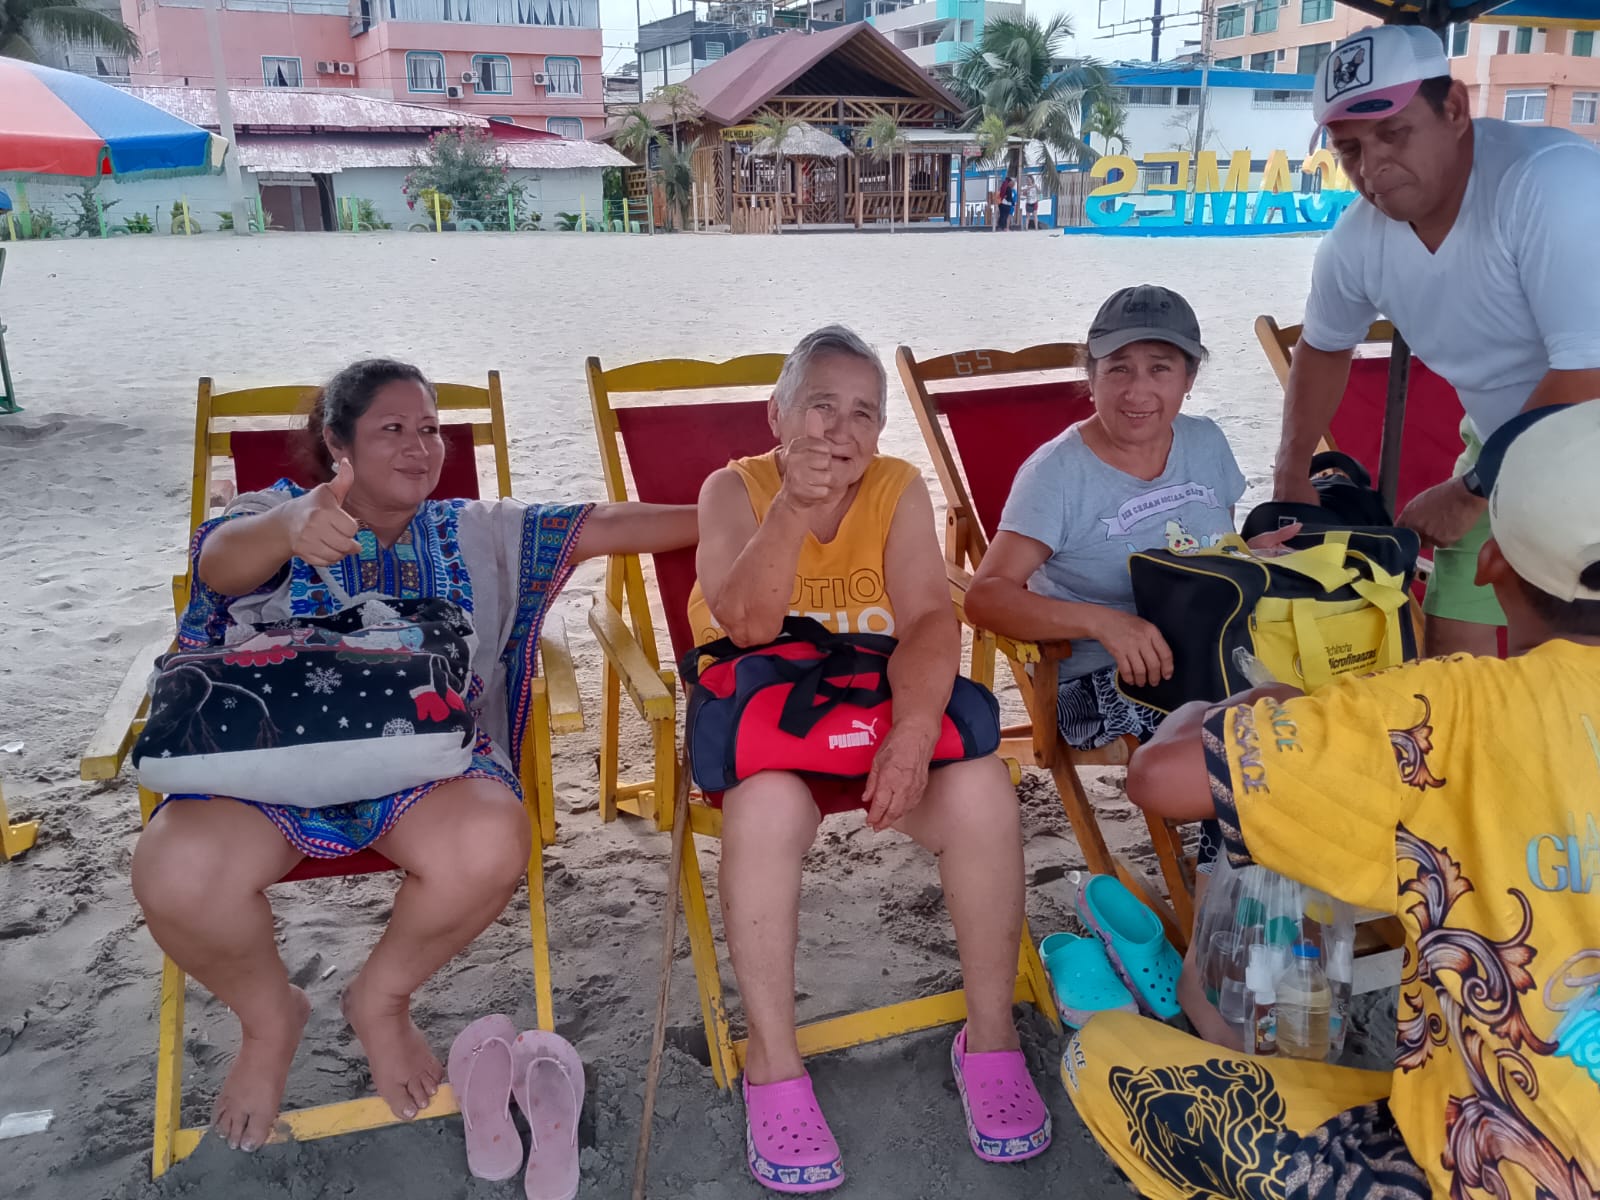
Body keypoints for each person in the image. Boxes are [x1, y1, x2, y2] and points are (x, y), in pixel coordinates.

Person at [130, 359, 698, 1153]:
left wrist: (748, 503)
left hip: (422, 771)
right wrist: (287, 528)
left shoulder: (473, 529)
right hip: (265, 771)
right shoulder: (274, 514)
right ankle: (268, 1018)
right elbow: (218, 564)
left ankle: (382, 999)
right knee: (173, 871)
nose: (419, 446)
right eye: (392, 429)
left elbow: (604, 523)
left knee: (492, 840)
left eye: (430, 429)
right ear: (337, 443)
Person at [1066, 401, 1600, 1199]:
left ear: (1490, 563)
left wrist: (1242, 706)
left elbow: (1160, 779)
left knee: (1106, 1058)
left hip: (1504, 1171)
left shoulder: (1444, 711)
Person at [690, 326, 1050, 1192]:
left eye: (864, 412)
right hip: (773, 732)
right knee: (763, 812)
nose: (840, 430)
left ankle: (990, 1038)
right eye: (821, 406)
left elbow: (928, 618)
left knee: (983, 792)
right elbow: (747, 626)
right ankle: (774, 1063)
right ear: (778, 414)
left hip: (874, 711)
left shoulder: (895, 487)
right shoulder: (731, 490)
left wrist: (916, 734)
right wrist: (790, 509)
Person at [966, 286, 1295, 1039]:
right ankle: (1219, 965)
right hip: (1099, 681)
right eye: (1118, 368)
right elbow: (986, 595)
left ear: (1190, 378)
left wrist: (1252, 555)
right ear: (1089, 375)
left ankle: (1235, 925)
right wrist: (1100, 621)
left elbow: (1208, 550)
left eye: (1160, 368)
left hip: (1209, 663)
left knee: (1295, 722)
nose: (1138, 389)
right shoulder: (1059, 474)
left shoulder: (1206, 443)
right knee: (1239, 746)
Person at [1274, 23, 1600, 659]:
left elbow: (1588, 373)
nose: (1372, 167)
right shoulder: (1355, 242)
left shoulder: (1549, 183)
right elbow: (1323, 346)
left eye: (1393, 133)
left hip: (1581, 435)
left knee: (1573, 664)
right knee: (1450, 660)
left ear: (1453, 108)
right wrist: (1291, 475)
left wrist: (1472, 488)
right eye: (1349, 149)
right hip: (1502, 441)